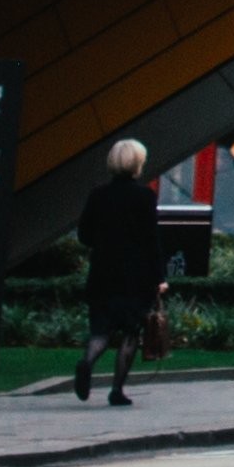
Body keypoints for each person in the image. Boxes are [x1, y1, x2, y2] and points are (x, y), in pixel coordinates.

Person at [71, 138, 164, 404]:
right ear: (138, 164)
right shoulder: (145, 196)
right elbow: (151, 240)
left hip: (103, 272)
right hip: (136, 276)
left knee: (100, 330)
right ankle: (117, 390)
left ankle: (87, 362)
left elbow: (84, 235)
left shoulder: (98, 194)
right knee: (131, 332)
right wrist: (160, 277)